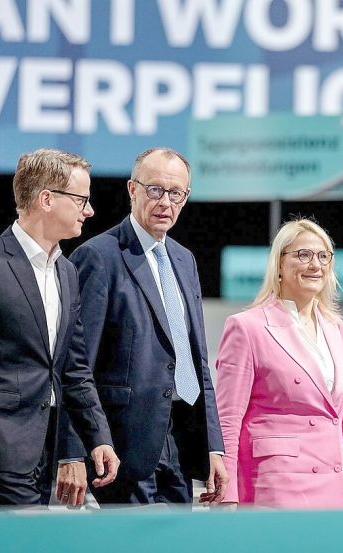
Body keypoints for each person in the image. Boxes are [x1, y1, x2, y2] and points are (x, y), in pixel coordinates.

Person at [0, 148, 119, 507]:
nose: (89, 211)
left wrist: (98, 437)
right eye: (81, 200)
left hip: (43, 453)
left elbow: (74, 369)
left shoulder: (67, 272)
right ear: (46, 199)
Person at [68, 147, 227, 507]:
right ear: (132, 189)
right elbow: (77, 365)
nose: (165, 202)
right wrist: (73, 452)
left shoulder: (184, 260)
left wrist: (213, 447)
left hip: (181, 442)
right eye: (155, 190)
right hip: (122, 448)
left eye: (176, 194)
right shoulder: (98, 256)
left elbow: (196, 361)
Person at [214, 218, 343, 509]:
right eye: (303, 255)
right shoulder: (247, 327)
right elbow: (227, 420)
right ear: (279, 265)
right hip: (274, 487)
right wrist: (227, 493)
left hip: (331, 487)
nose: (315, 265)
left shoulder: (336, 328)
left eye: (323, 256)